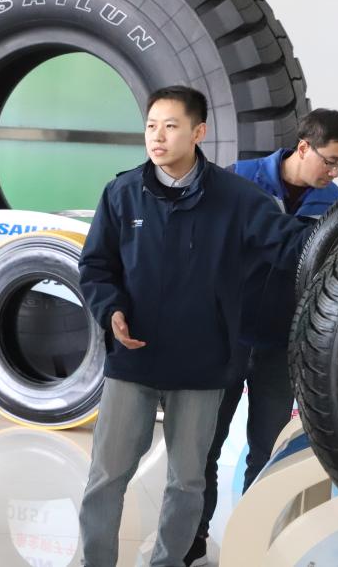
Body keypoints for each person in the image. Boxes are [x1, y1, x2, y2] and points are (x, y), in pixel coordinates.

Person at [77, 85, 313, 567]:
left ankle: (168, 563)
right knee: (106, 476)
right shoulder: (122, 194)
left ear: (198, 132)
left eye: (171, 126)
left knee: (187, 481)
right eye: (151, 126)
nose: (157, 137)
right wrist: (110, 309)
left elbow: (296, 246)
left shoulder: (237, 199)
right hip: (134, 360)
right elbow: (96, 267)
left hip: (203, 365)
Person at [188, 109, 338, 565]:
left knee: (268, 451)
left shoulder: (337, 205)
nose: (335, 172)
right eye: (330, 160)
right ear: (303, 146)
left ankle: (253, 544)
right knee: (204, 444)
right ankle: (192, 538)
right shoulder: (237, 180)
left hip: (283, 345)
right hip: (224, 338)